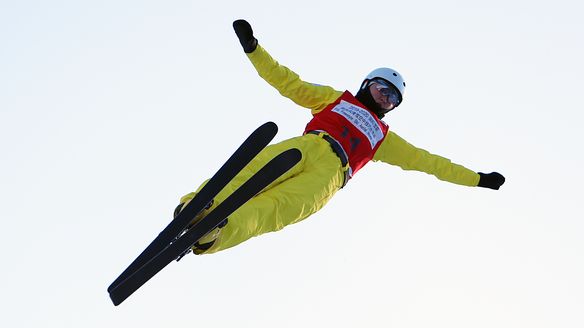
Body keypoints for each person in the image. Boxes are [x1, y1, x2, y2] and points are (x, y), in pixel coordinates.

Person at [175, 19, 506, 255]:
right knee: (251, 172)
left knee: (275, 210)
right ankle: (198, 205)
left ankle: (216, 233)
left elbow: (430, 163)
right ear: (367, 84)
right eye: (382, 90)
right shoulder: (337, 99)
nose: (384, 99)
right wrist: (254, 50)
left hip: (331, 177)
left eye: (392, 99)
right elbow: (289, 83)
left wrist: (477, 179)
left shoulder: (384, 138)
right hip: (310, 146)